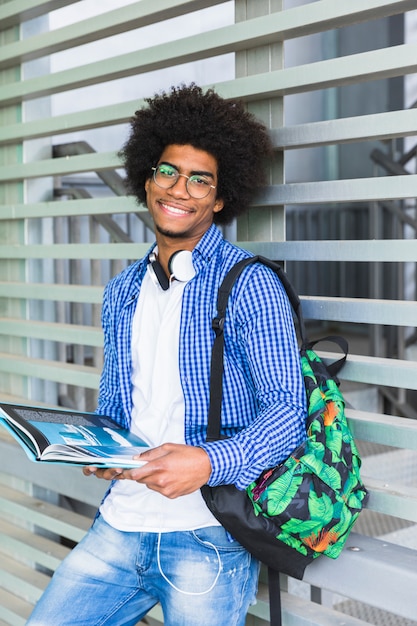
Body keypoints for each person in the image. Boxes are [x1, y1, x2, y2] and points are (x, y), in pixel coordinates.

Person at [27, 84, 306, 626]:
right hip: (120, 525)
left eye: (201, 179)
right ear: (147, 178)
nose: (181, 188)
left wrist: (207, 461)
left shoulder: (250, 285)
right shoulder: (122, 290)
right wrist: (98, 449)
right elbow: (118, 403)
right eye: (168, 172)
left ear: (221, 199)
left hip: (206, 536)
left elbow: (287, 412)